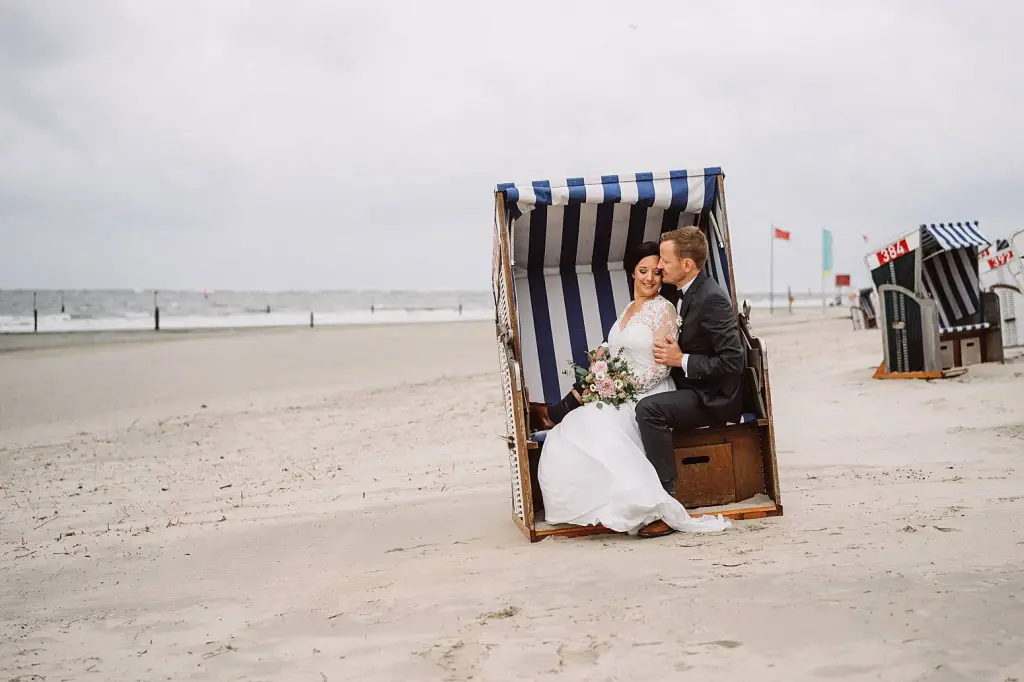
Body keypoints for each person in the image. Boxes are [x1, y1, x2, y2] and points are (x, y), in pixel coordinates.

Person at [536, 240, 732, 538]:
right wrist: (603, 356)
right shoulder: (629, 308)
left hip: (647, 392)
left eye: (656, 272)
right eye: (643, 271)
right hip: (622, 391)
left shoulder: (663, 310)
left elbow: (662, 366)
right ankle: (590, 501)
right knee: (571, 429)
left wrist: (623, 386)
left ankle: (638, 502)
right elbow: (619, 344)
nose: (650, 278)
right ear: (632, 273)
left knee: (591, 426)